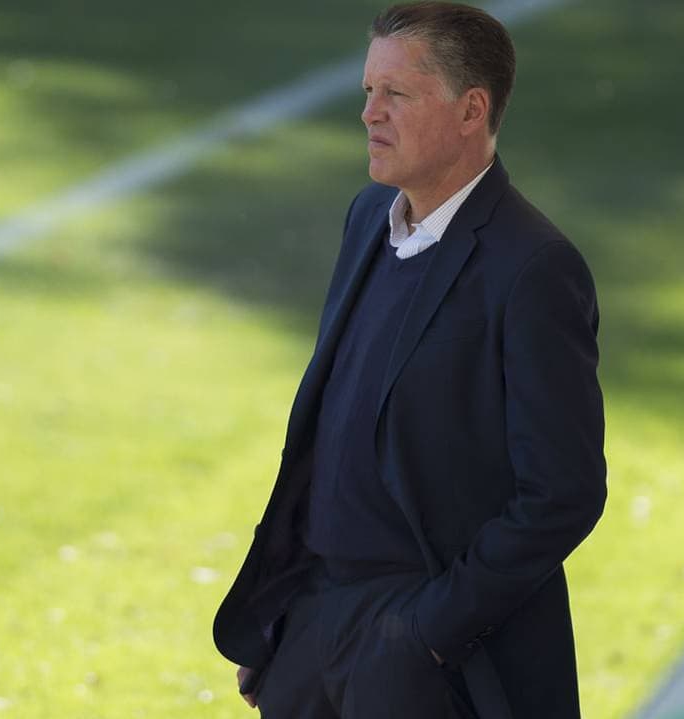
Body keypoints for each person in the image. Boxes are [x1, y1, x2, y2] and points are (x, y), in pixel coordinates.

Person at [212, 3, 607, 717]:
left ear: (471, 110)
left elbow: (563, 493)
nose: (370, 113)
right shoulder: (368, 217)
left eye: (396, 93)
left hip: (422, 653)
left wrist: (426, 634)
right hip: (313, 624)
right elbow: (328, 437)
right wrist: (280, 613)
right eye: (369, 91)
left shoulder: (534, 268)